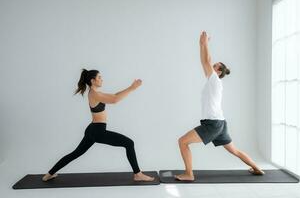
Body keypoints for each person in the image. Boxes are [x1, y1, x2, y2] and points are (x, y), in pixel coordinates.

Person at [175, 31, 265, 181]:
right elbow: (205, 61)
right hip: (220, 123)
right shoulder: (213, 82)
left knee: (182, 142)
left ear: (218, 71)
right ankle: (257, 168)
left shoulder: (215, 80)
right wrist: (202, 44)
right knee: (234, 150)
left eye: (214, 65)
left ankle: (189, 174)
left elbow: (205, 60)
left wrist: (205, 44)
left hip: (213, 124)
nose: (211, 65)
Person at [42, 69, 154, 182]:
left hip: (92, 129)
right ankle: (137, 174)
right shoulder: (94, 94)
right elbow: (115, 100)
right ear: (93, 80)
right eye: (99, 77)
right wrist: (132, 88)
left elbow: (115, 95)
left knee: (75, 153)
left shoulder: (95, 93)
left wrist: (130, 87)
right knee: (129, 143)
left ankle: (49, 174)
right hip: (98, 131)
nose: (102, 79)